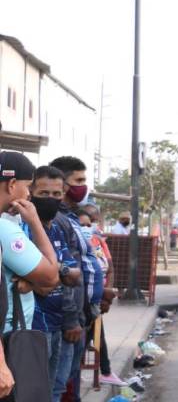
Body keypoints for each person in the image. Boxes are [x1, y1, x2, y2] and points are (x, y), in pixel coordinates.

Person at [0, 151, 61, 398]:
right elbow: (50, 276)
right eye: (27, 187)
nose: (28, 195)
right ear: (12, 184)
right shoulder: (4, 228)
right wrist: (35, 221)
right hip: (9, 340)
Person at [49, 155, 105, 402]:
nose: (84, 186)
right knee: (58, 387)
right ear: (64, 183)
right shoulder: (59, 220)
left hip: (81, 316)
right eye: (79, 180)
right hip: (66, 320)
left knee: (68, 383)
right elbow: (66, 274)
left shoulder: (72, 218)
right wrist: (71, 318)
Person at [28, 166, 84, 399]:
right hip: (34, 328)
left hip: (58, 323)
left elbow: (74, 276)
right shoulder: (22, 229)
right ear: (30, 191)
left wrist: (55, 272)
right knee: (35, 393)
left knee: (57, 389)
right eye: (43, 194)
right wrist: (58, 274)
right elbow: (40, 284)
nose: (50, 200)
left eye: (56, 194)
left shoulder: (58, 228)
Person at [78, 204, 125, 387]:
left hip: (100, 298)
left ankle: (102, 370)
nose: (90, 227)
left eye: (92, 222)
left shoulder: (99, 241)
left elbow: (110, 269)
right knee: (90, 332)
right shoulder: (77, 243)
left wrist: (108, 294)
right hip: (87, 298)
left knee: (94, 332)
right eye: (85, 223)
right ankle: (102, 371)